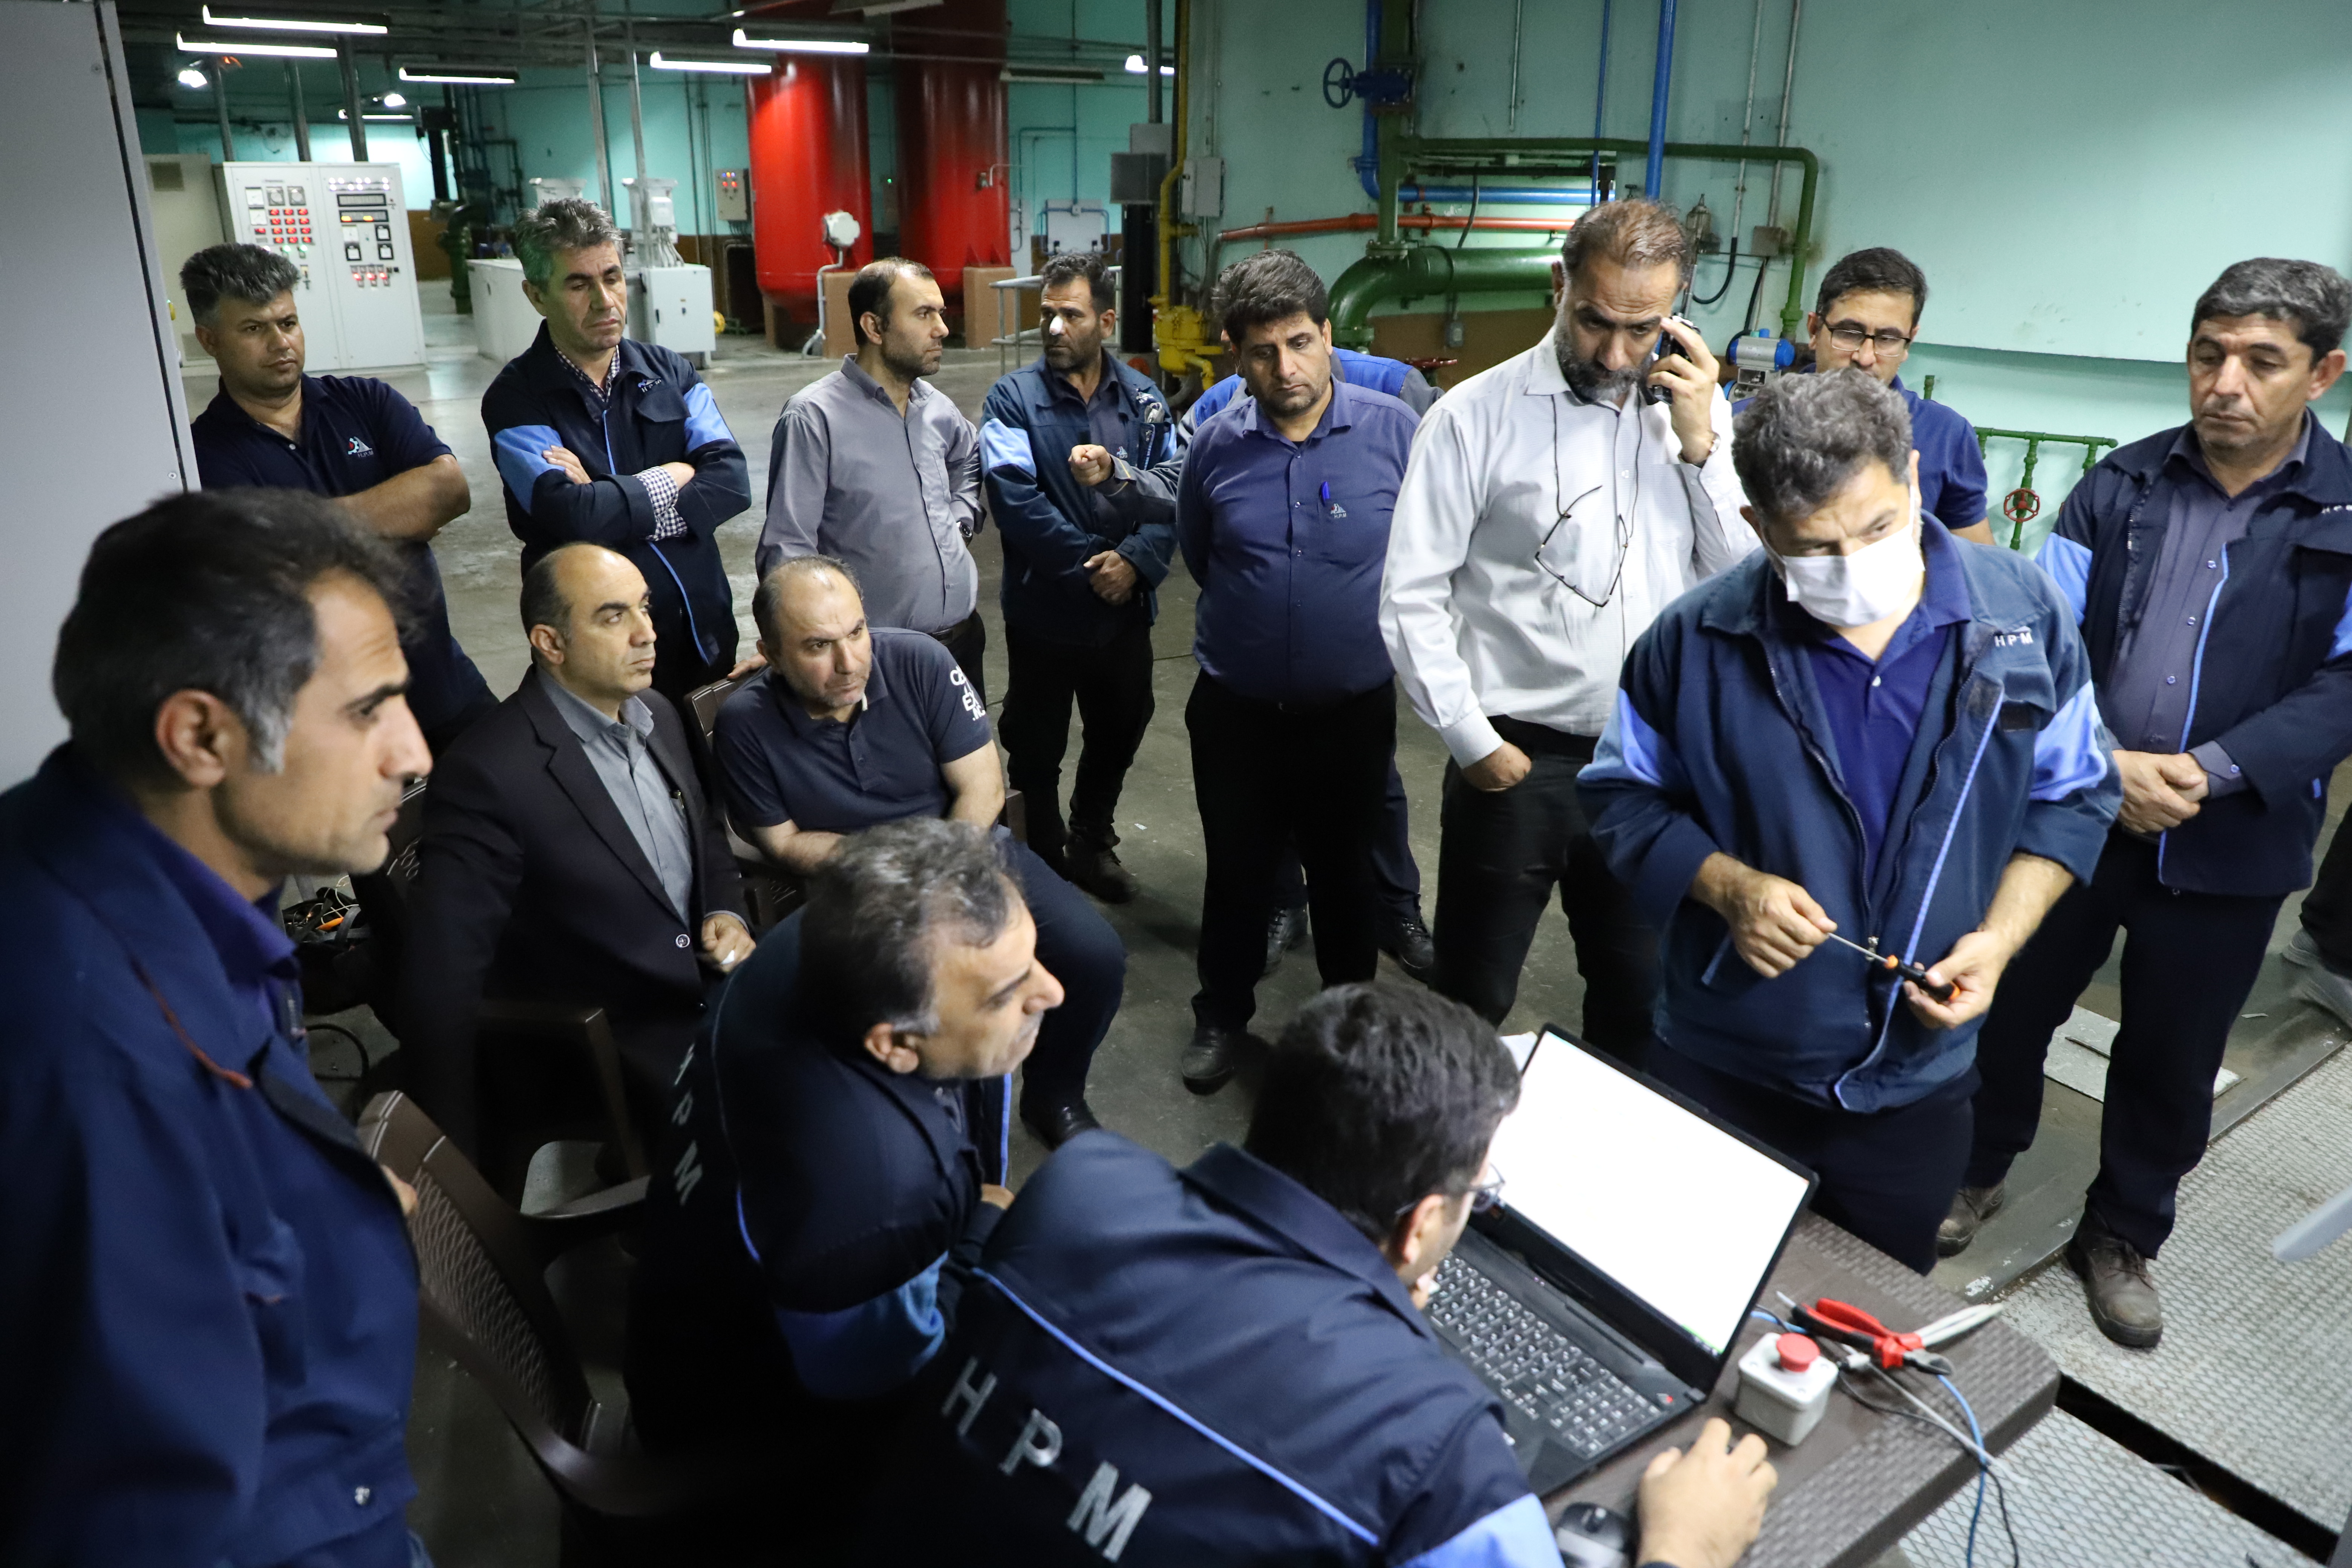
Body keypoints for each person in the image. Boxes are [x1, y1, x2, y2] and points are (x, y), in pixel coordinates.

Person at [872, 982, 1779, 1567]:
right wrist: (1685, 1550)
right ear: (1420, 1224)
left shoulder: (1079, 1184)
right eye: (1477, 1194)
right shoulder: (1440, 1456)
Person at [1579, 371, 2118, 1272]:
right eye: (1816, 548)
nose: (1855, 564)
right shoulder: (1694, 642)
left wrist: (1997, 942)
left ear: (1913, 478)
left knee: (1873, 1318)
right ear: (1757, 527)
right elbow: (1620, 795)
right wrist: (1727, 887)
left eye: (1877, 528)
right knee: (1690, 1285)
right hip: (1725, 1063)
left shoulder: (2022, 618)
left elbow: (2075, 793)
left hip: (1916, 1084)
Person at [0, 490, 430, 1563]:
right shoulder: (93, 1058)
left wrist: (316, 1204)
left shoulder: (158, 871)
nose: (414, 753)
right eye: (368, 712)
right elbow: (136, 1520)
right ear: (200, 735)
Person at [1945, 259, 2352, 1345]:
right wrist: (2103, 765)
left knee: (2173, 1054)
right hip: (2077, 812)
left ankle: (2122, 1231)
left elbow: (2347, 683)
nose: (2226, 383)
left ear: (2321, 374)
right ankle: (1975, 1166)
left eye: (2261, 362)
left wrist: (2212, 769)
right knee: (2009, 1004)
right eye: (2208, 355)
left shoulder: (2346, 512)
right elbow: (2037, 639)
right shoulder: (2117, 486)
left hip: (2234, 838)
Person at [625, 820, 1064, 1547]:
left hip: (691, 1302)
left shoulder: (820, 938)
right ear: (896, 1044)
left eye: (1034, 958)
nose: (1052, 991)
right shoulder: (876, 1200)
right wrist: (982, 1228)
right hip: (750, 1445)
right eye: (1006, 994)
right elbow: (875, 1392)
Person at [1381, 199, 1752, 1050]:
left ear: (1676, 310)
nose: (1616, 355)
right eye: (1594, 322)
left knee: (1635, 996)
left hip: (1646, 766)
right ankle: (1449, 1133)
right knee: (1471, 996)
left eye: (1641, 329)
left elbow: (1735, 581)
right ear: (1560, 285)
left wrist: (1702, 447)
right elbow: (1410, 593)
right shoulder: (1472, 416)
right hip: (1516, 765)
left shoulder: (1694, 416)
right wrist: (1472, 739)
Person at [709, 555, 1124, 1146]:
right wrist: (900, 877)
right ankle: (926, 1131)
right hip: (862, 891)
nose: (850, 663)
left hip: (968, 851)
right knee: (904, 1013)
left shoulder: (920, 660)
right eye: (818, 646)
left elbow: (981, 788)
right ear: (771, 654)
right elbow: (783, 841)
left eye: (857, 632)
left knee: (1095, 957)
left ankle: (1055, 1093)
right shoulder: (745, 724)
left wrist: (940, 877)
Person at [397, 543, 752, 1171]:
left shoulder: (657, 713)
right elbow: (443, 983)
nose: (648, 632)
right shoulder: (488, 775)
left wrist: (725, 910)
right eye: (614, 617)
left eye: (644, 607)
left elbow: (705, 835)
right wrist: (449, 1163)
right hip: (616, 1047)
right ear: (550, 643)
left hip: (715, 994)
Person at [1174, 250, 1422, 1094]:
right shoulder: (1214, 446)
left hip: (1350, 716)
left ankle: (1348, 1033)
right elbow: (1204, 555)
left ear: (1328, 334)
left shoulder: (1395, 434)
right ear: (1236, 355)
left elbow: (1425, 559)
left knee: (1346, 879)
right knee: (1236, 874)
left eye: (1300, 343)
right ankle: (1222, 1015)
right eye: (1263, 352)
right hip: (1236, 714)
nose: (1286, 368)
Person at [184, 242, 494, 750]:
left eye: (288, 322)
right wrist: (395, 516)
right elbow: (258, 565)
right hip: (332, 725)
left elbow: (448, 490)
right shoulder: (205, 454)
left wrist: (300, 527)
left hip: (443, 687)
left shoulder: (367, 402)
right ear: (209, 339)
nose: (280, 342)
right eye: (254, 329)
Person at [482, 198, 753, 705]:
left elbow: (732, 482)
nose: (605, 300)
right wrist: (675, 475)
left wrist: (609, 502)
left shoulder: (670, 372)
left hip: (703, 635)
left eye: (612, 277)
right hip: (599, 660)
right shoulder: (517, 399)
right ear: (536, 295)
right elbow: (571, 516)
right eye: (578, 285)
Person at [980, 250, 1180, 902]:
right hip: (1046, 614)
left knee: (1121, 727)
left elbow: (1174, 489)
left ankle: (1091, 841)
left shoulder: (1145, 401)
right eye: (1047, 314)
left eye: (1071, 315)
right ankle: (1041, 860)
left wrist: (1137, 562)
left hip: (1123, 615)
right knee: (1036, 744)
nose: (1054, 327)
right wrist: (1097, 563)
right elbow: (1014, 500)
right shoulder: (1012, 399)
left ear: (1106, 321)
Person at [758, 257, 989, 697]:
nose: (942, 329)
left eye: (941, 313)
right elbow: (788, 549)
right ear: (874, 327)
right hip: (878, 662)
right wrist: (790, 643)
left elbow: (971, 456)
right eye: (924, 314)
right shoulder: (814, 418)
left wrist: (961, 516)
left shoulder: (936, 407)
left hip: (962, 646)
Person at [1738, 248, 1994, 545]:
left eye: (1888, 339)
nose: (1865, 357)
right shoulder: (1744, 425)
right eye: (1849, 333)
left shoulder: (1946, 435)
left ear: (1909, 342)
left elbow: (1977, 559)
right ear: (1814, 330)